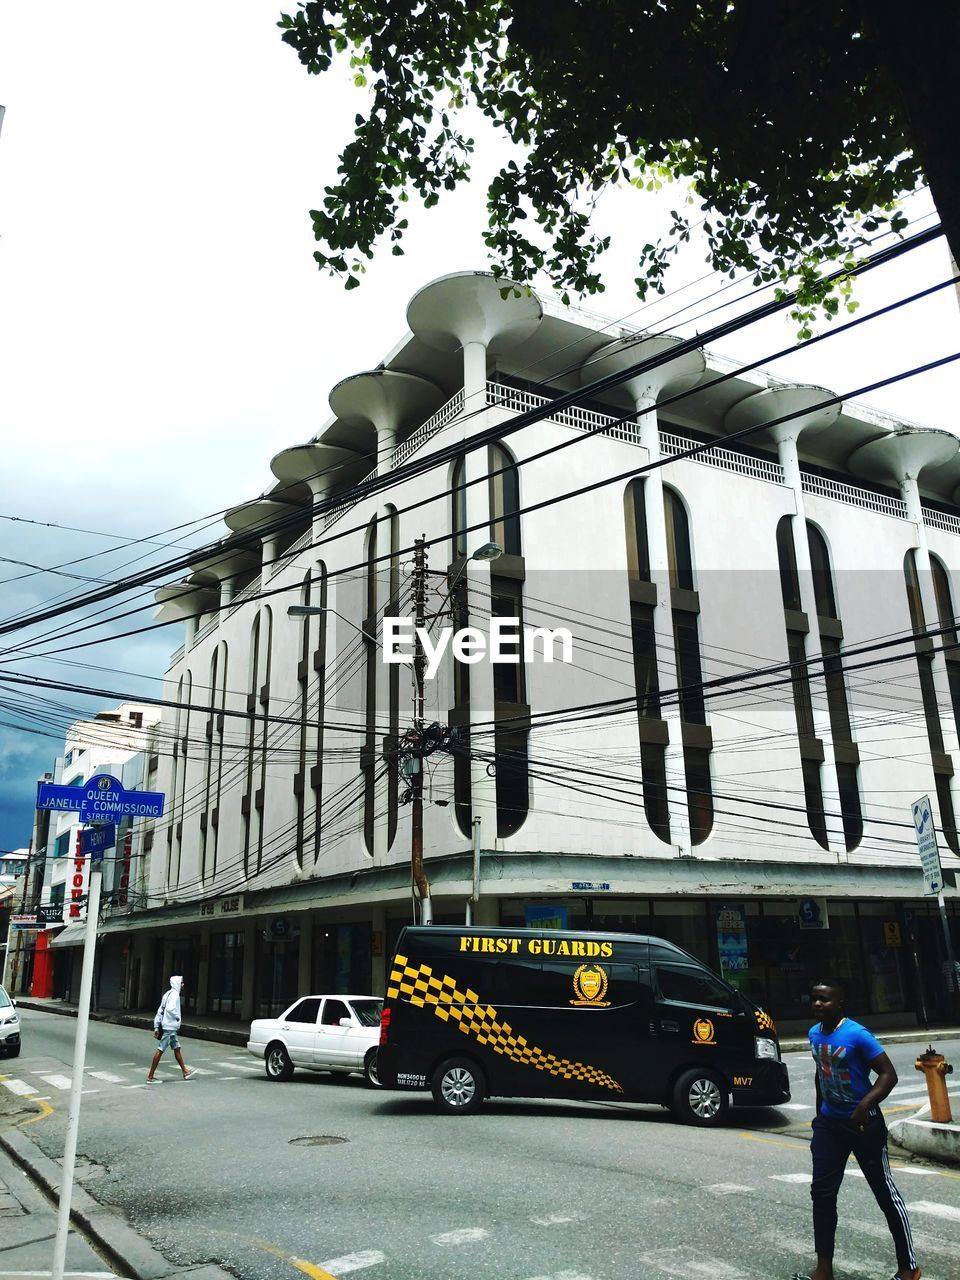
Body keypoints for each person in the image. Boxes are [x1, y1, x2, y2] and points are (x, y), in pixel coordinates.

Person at [793, 978, 920, 1280]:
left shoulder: (857, 1035)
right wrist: (818, 1116)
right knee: (822, 1194)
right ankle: (823, 1270)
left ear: (840, 1004)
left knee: (885, 1194)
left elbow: (888, 1075)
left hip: (865, 1126)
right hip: (829, 1125)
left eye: (825, 1000)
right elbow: (820, 1077)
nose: (818, 1004)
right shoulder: (814, 1034)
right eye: (814, 999)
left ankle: (909, 1268)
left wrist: (864, 1106)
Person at [147, 975, 195, 1083]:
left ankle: (185, 1071)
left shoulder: (167, 994)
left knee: (177, 1048)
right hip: (170, 1027)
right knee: (160, 1049)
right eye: (181, 982)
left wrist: (156, 1026)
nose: (183, 984)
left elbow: (161, 1010)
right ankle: (150, 1076)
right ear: (177, 983)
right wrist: (177, 1017)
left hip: (167, 1026)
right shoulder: (175, 995)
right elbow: (170, 1009)